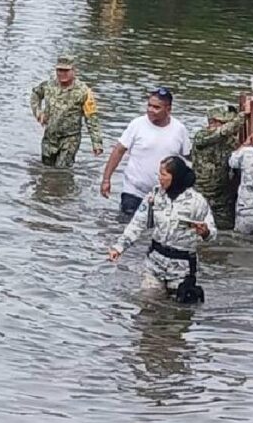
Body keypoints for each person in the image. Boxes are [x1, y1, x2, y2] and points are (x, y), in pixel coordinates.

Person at [108, 156, 216, 301]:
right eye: (159, 174)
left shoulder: (197, 202)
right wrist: (119, 247)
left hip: (182, 268)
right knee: (147, 305)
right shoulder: (155, 196)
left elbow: (212, 233)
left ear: (175, 177)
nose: (160, 178)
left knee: (177, 315)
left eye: (164, 174)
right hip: (155, 263)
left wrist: (205, 232)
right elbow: (137, 223)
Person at [101, 88, 191, 217]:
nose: (150, 110)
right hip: (134, 190)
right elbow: (118, 151)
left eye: (156, 107)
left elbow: (188, 158)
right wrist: (106, 179)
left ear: (168, 109)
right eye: (149, 105)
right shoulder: (137, 124)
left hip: (164, 193)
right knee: (127, 226)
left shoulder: (179, 129)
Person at [30, 55, 103, 167]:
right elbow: (35, 94)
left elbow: (91, 117)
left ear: (74, 71)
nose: (62, 74)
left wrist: (96, 143)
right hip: (50, 137)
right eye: (59, 70)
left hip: (70, 139)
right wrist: (38, 113)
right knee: (45, 169)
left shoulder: (84, 91)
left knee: (61, 170)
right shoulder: (49, 85)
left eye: (66, 70)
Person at [192, 105, 243, 230]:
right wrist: (241, 117)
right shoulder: (202, 136)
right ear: (213, 122)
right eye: (225, 122)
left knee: (225, 227)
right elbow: (222, 132)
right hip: (203, 191)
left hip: (221, 193)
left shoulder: (228, 140)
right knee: (196, 225)